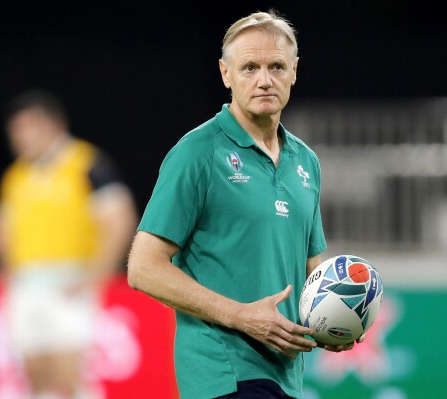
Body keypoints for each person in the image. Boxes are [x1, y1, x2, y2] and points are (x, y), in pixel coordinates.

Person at [127, 10, 363, 399]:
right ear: (225, 73)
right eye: (250, 67)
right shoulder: (197, 153)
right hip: (223, 373)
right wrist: (240, 316)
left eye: (276, 67)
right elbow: (142, 267)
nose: (264, 80)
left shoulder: (305, 162)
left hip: (286, 375)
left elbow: (312, 269)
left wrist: (333, 321)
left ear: (294, 71)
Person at [0, 90, 137, 399]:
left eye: (28, 128)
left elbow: (121, 220)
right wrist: (5, 264)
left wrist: (97, 273)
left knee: (69, 378)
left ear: (54, 125)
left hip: (69, 281)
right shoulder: (16, 176)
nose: (21, 138)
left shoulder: (87, 163)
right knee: (36, 378)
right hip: (26, 285)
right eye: (16, 130)